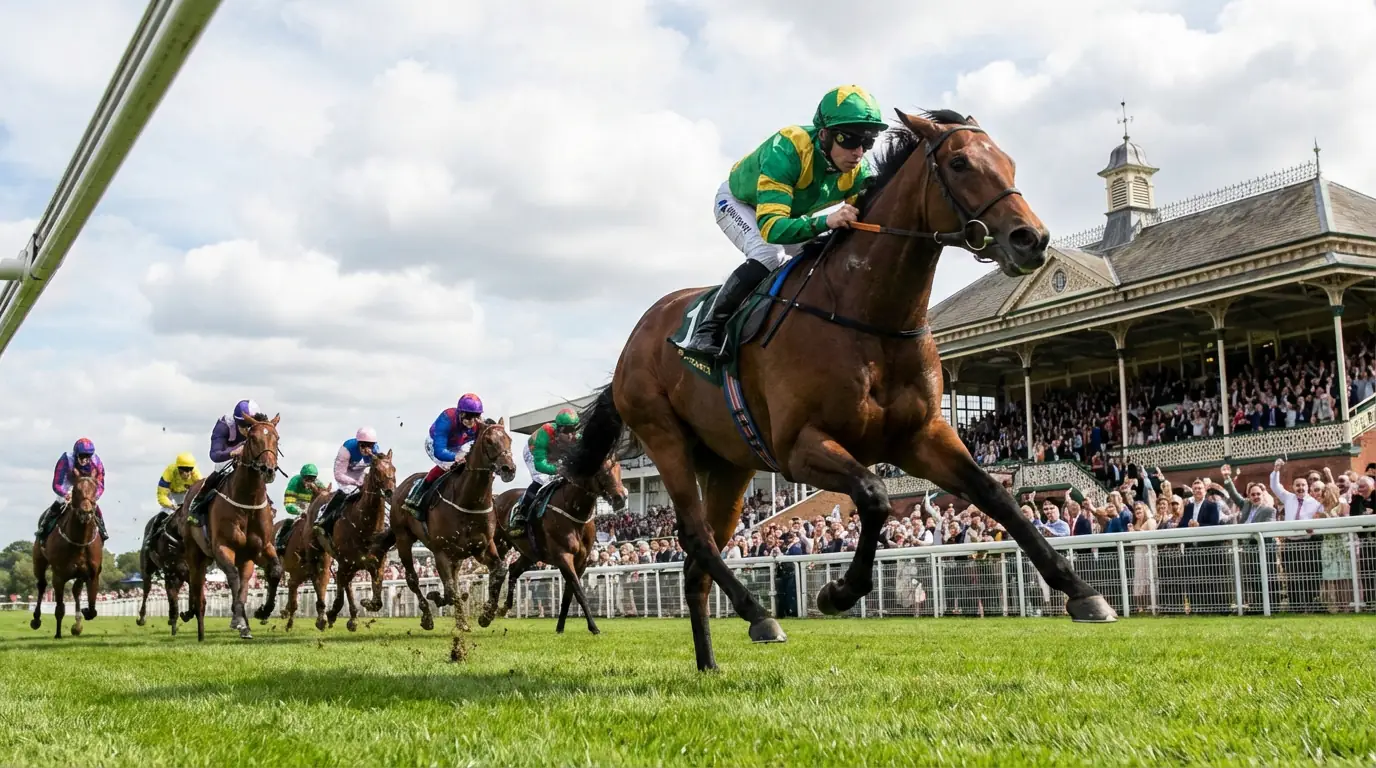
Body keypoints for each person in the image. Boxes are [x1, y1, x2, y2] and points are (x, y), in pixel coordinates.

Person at [680, 85, 888, 358]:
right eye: (848, 139)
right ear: (824, 135)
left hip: (786, 213)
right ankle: (706, 331)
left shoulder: (859, 171)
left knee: (826, 254)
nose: (858, 152)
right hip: (740, 204)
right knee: (768, 254)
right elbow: (771, 228)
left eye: (867, 142)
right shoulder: (789, 148)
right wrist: (826, 221)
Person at [402, 393, 484, 514]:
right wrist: (455, 457)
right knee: (448, 465)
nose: (472, 422)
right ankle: (419, 491)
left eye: (475, 417)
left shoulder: (478, 423)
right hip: (437, 445)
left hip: (459, 444)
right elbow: (439, 451)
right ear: (461, 413)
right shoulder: (446, 419)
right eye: (468, 417)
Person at [186, 399, 260, 527]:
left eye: (250, 425)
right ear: (237, 422)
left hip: (248, 460)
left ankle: (267, 503)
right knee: (220, 470)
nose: (247, 430)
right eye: (244, 426)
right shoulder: (224, 426)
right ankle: (198, 503)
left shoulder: (260, 426)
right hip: (227, 457)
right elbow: (214, 455)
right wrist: (233, 452)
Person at [509, 408, 579, 536]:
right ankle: (521, 513)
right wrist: (557, 470)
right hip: (534, 453)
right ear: (559, 430)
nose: (570, 436)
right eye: (566, 431)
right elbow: (539, 465)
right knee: (542, 480)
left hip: (554, 454)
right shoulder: (545, 432)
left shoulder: (577, 437)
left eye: (573, 430)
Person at [314, 427, 382, 544]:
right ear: (358, 443)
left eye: (370, 445)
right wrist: (355, 482)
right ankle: (324, 518)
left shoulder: (376, 450)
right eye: (363, 445)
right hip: (345, 474)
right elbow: (338, 474)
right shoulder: (347, 449)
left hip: (360, 473)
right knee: (347, 491)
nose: (367, 449)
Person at [36, 438, 108, 542]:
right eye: (82, 456)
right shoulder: (66, 459)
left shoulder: (96, 462)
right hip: (69, 482)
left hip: (88, 484)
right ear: (76, 454)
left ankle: (102, 529)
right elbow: (57, 483)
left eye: (87, 456)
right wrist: (64, 494)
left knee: (93, 505)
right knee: (60, 501)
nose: (85, 459)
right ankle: (44, 527)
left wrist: (94, 496)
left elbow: (100, 483)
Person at [150, 452, 201, 538]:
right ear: (177, 468)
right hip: (170, 494)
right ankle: (151, 539)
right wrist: (172, 506)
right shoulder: (169, 471)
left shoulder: (196, 474)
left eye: (189, 469)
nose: (187, 473)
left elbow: (201, 491)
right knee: (164, 513)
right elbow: (162, 495)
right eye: (183, 469)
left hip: (186, 494)